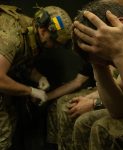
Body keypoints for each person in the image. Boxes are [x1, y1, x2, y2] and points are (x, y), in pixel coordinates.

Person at [72, 0, 123, 149]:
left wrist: (121, 54)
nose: (116, 67)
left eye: (112, 62)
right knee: (91, 124)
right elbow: (119, 110)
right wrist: (98, 64)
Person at [0, 4, 72, 150]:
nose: (56, 47)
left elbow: (21, 63)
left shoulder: (31, 33)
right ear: (44, 31)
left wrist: (39, 78)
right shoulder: (12, 35)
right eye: (55, 43)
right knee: (3, 132)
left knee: (10, 122)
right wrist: (31, 91)